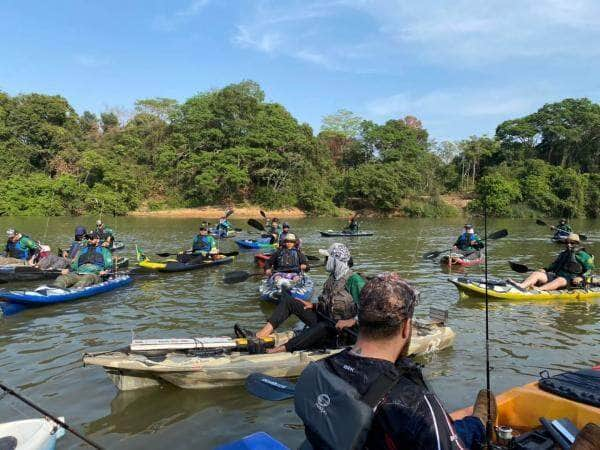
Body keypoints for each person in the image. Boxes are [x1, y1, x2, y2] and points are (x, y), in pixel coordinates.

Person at [294, 272, 494, 450]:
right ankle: (478, 423)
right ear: (407, 327)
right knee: (466, 430)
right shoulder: (415, 402)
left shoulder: (324, 367)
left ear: (360, 319)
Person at [257, 243, 365, 354]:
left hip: (342, 331)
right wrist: (313, 305)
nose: (325, 261)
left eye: (327, 258)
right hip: (325, 319)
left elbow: (372, 309)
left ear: (336, 260)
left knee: (323, 326)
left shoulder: (355, 280)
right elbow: (331, 302)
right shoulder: (333, 277)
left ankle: (278, 350)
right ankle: (262, 334)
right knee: (290, 301)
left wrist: (352, 321)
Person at [509, 233, 594, 291]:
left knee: (560, 280)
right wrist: (544, 270)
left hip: (571, 281)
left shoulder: (584, 255)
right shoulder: (563, 254)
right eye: (567, 242)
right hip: (557, 276)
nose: (569, 244)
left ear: (577, 244)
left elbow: (590, 270)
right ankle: (521, 286)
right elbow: (554, 266)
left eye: (572, 243)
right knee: (537, 273)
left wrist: (581, 277)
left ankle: (539, 290)